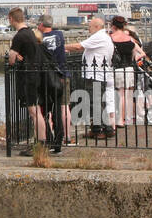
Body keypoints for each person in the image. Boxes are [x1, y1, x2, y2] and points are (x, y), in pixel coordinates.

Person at [7, 8, 48, 150]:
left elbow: (11, 59)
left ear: (11, 19)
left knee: (34, 111)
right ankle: (40, 141)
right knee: (36, 111)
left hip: (28, 77)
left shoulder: (19, 36)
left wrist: (14, 57)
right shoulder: (30, 32)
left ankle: (41, 142)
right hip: (35, 74)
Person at [67, 16, 115, 137]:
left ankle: (106, 129)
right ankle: (96, 129)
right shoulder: (105, 37)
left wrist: (61, 47)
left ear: (97, 27)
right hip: (99, 73)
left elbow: (79, 46)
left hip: (96, 74)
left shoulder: (99, 36)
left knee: (96, 103)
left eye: (89, 27)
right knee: (97, 102)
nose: (88, 29)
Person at [35, 15, 66, 151]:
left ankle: (47, 139)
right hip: (59, 77)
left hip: (45, 80)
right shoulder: (60, 35)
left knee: (43, 111)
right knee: (57, 110)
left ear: (41, 24)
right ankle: (58, 141)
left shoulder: (40, 43)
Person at [108, 15, 145, 127]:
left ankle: (119, 120)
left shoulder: (110, 38)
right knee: (128, 96)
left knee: (119, 95)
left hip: (117, 69)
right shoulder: (130, 38)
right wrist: (134, 59)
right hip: (129, 69)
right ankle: (126, 119)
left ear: (113, 26)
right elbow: (142, 53)